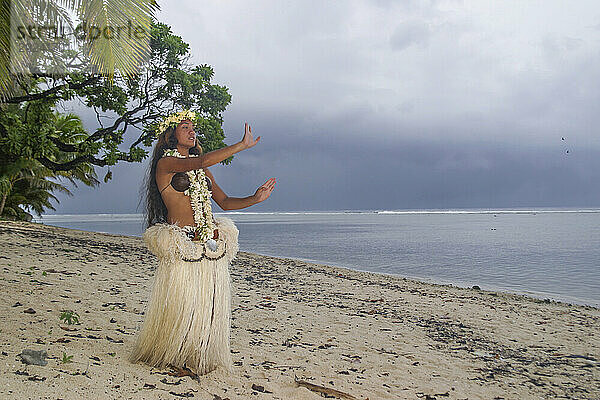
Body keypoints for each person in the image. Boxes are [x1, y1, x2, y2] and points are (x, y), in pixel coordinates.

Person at [128, 110, 276, 377]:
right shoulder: (166, 163)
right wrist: (242, 145)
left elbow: (226, 202)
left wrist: (255, 199)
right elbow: (203, 159)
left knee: (205, 305)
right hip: (182, 245)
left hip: (208, 245)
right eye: (184, 127)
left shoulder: (202, 169)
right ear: (170, 135)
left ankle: (197, 354)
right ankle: (173, 353)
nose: (191, 131)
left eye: (192, 127)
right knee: (182, 305)